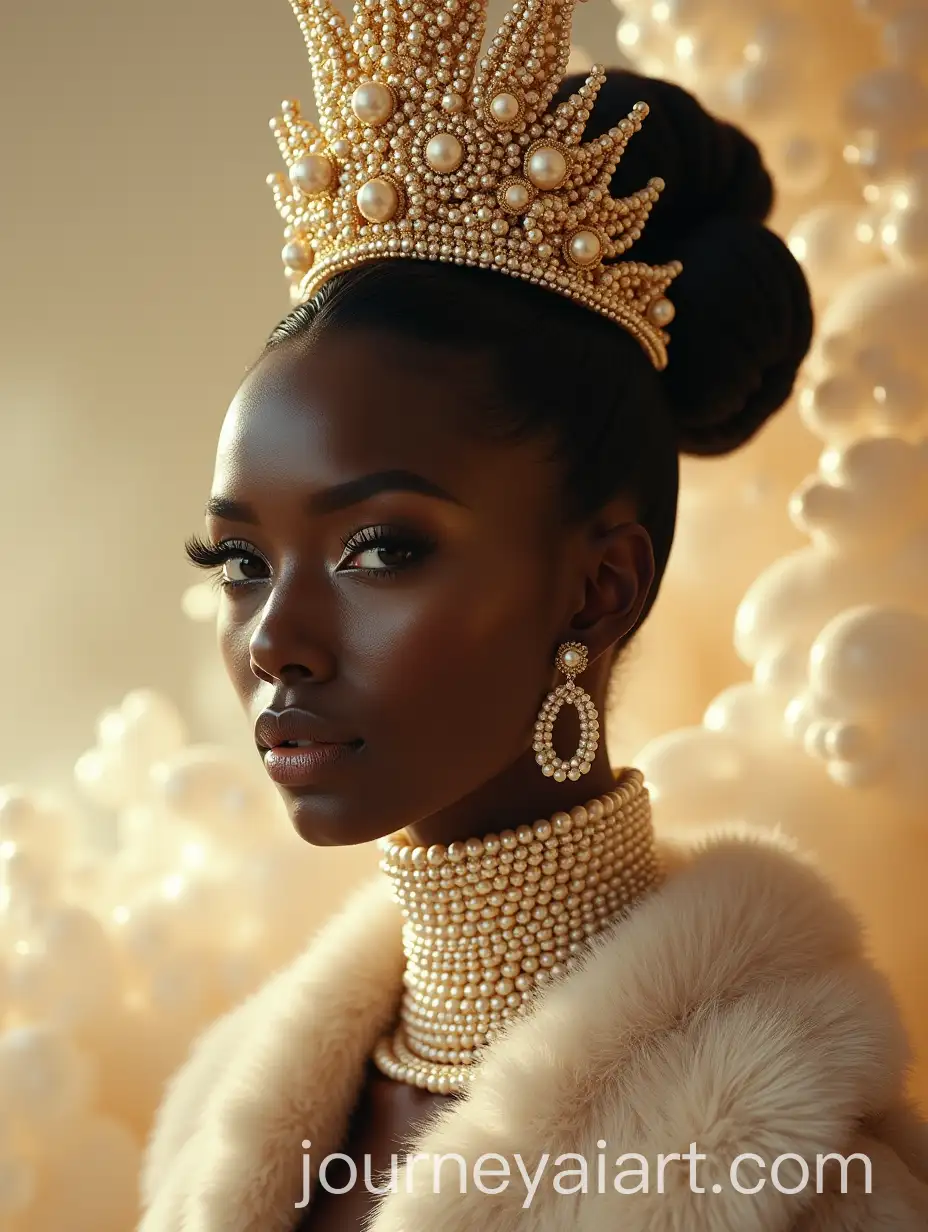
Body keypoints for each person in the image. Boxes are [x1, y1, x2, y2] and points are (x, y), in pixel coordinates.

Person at [137, 0, 928, 1225]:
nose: (274, 639)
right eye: (238, 559)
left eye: (379, 546)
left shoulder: (790, 1180)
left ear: (601, 586)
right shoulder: (216, 1119)